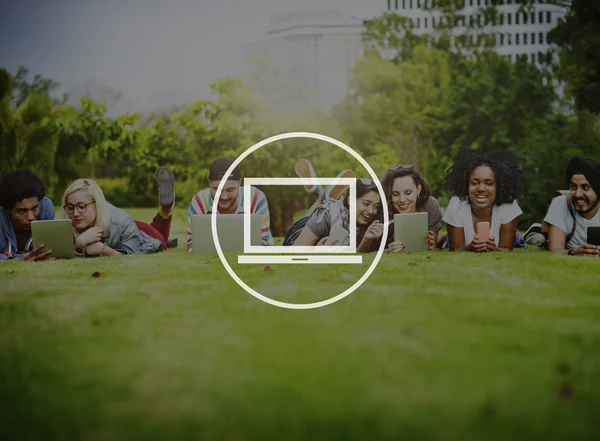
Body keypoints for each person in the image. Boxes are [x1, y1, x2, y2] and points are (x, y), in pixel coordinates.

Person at [61, 167, 176, 257]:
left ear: (97, 204)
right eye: (70, 207)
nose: (75, 213)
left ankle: (165, 210)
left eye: (81, 206)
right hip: (126, 226)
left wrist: (104, 250)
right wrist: (79, 244)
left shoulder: (121, 222)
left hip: (136, 231)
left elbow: (134, 256)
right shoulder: (66, 223)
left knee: (161, 241)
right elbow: (59, 254)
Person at [442, 148, 526, 252]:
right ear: (466, 184)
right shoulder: (457, 204)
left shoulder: (508, 205)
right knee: (448, 241)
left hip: (513, 236)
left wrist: (494, 248)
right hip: (462, 233)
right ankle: (445, 237)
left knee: (518, 240)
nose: (481, 189)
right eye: (474, 182)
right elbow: (456, 250)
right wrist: (470, 247)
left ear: (498, 186)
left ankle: (529, 235)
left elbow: (506, 248)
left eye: (489, 183)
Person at [186, 157, 274, 250]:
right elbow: (192, 244)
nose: (224, 197)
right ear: (209, 183)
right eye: (217, 189)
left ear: (239, 183)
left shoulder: (256, 199)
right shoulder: (200, 201)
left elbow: (263, 240)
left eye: (230, 190)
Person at [284, 178, 383, 253]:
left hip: (320, 220)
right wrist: (316, 251)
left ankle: (322, 198)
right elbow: (295, 251)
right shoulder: (326, 216)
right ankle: (321, 199)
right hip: (298, 231)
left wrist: (367, 240)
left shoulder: (372, 220)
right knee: (314, 218)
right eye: (366, 203)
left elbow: (356, 252)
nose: (371, 211)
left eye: (376, 206)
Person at [543, 156, 600, 257]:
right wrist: (575, 251)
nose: (578, 194)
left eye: (585, 188)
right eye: (573, 187)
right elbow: (555, 250)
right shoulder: (561, 203)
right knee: (537, 237)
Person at [380, 165, 444, 253]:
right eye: (395, 194)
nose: (402, 200)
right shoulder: (384, 208)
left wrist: (431, 243)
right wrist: (389, 250)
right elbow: (372, 250)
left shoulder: (429, 205)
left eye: (408, 193)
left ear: (418, 189)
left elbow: (431, 247)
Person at [0, 169, 56, 261]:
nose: (30, 217)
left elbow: (52, 250)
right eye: (22, 211)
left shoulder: (45, 207)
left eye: (34, 208)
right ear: (8, 210)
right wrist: (17, 259)